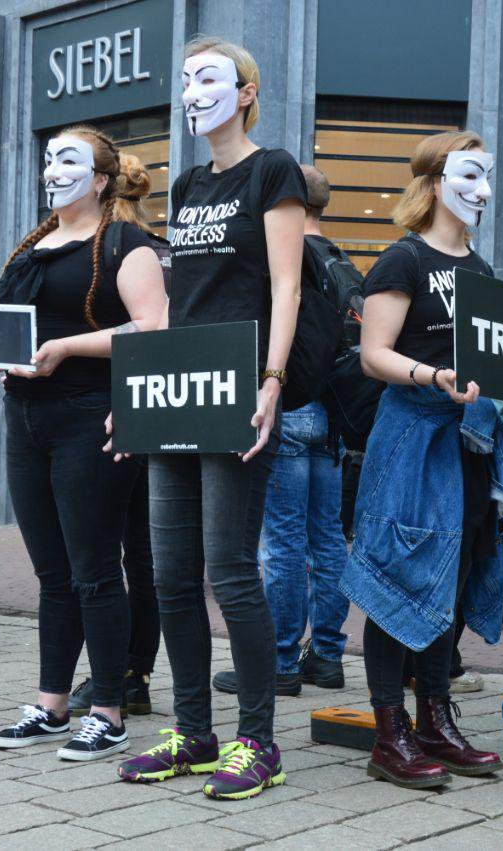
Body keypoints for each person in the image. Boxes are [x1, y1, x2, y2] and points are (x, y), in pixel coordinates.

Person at [114, 37, 304, 801]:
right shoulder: (189, 184)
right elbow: (174, 304)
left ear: (246, 92)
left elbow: (285, 287)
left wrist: (272, 379)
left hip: (237, 386)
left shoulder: (273, 170)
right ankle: (194, 733)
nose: (193, 91)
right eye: (186, 78)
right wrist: (135, 399)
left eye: (209, 77)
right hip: (176, 388)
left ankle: (257, 740)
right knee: (168, 574)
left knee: (229, 569)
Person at [334, 130, 503, 790]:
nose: (484, 191)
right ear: (436, 182)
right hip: (412, 439)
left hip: (468, 440)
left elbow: (499, 359)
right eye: (471, 175)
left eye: (489, 177)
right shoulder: (403, 259)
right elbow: (371, 352)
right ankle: (390, 733)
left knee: (452, 572)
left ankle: (433, 718)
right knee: (396, 574)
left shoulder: (483, 270)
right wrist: (431, 374)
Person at [0, 126, 165, 760]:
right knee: (52, 573)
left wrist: (67, 347)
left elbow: (153, 328)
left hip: (92, 419)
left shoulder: (125, 243)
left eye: (69, 160)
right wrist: (0, 356)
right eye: (48, 159)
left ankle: (109, 711)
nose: (54, 170)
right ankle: (52, 703)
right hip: (27, 418)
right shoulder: (32, 246)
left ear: (100, 179)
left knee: (94, 572)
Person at [212, 164, 349, 698]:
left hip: (285, 404)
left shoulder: (288, 256)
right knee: (329, 539)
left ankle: (282, 661)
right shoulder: (343, 263)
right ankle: (330, 656)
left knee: (284, 542)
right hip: (332, 414)